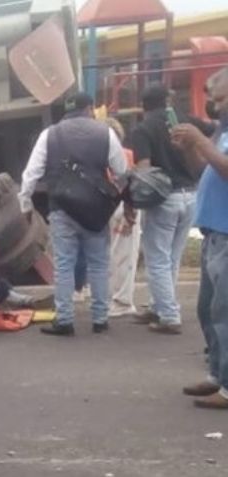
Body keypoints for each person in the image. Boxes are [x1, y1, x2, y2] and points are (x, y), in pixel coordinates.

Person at [19, 92, 128, 336]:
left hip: (62, 208)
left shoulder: (50, 135)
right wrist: (117, 200)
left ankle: (65, 320)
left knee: (64, 265)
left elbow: (31, 173)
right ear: (89, 108)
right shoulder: (105, 133)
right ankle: (100, 318)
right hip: (95, 212)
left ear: (66, 111)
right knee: (99, 264)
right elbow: (122, 172)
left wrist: (26, 205)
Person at [172, 67, 228, 409]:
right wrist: (190, 149)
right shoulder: (222, 132)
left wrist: (200, 140)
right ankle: (217, 375)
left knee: (225, 312)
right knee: (208, 310)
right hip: (213, 234)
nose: (215, 106)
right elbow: (207, 171)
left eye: (220, 99)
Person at [130, 84, 199, 334]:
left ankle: (169, 315)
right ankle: (159, 305)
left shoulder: (143, 128)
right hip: (191, 195)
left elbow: (144, 169)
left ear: (143, 105)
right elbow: (210, 132)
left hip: (164, 199)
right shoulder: (183, 121)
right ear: (167, 100)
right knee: (172, 257)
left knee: (157, 259)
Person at [104, 117, 141, 319]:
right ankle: (122, 300)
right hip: (129, 205)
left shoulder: (99, 156)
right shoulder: (128, 155)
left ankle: (115, 299)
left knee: (110, 254)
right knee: (126, 255)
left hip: (109, 206)